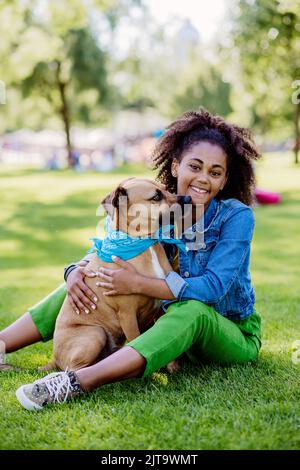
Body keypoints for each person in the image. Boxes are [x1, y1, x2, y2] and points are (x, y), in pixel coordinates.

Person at [0, 108, 262, 410]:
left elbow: (213, 288)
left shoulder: (236, 217)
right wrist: (74, 271)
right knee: (89, 280)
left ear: (225, 178)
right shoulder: (158, 210)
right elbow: (114, 248)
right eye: (195, 166)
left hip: (227, 331)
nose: (203, 179)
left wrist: (137, 283)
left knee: (192, 309)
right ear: (176, 166)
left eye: (215, 172)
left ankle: (76, 382)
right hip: (171, 337)